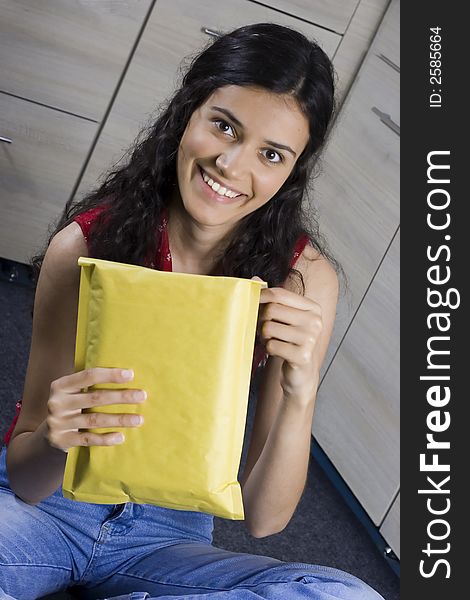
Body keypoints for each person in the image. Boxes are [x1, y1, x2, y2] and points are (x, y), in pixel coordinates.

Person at [0, 23, 384, 600]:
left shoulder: (303, 280)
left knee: (348, 596)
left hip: (166, 537)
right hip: (50, 512)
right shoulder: (83, 248)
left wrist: (302, 391)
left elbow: (262, 520)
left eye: (271, 154)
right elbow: (28, 484)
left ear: (292, 171)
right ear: (187, 113)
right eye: (224, 125)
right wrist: (56, 438)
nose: (232, 165)